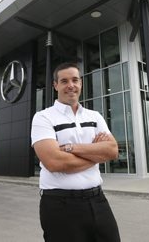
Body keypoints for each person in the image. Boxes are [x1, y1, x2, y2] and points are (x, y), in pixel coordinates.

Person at [31, 62, 121, 242]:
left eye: (75, 80)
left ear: (80, 83)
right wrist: (96, 155)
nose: (70, 85)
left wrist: (72, 149)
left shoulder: (94, 116)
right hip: (60, 206)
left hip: (98, 201)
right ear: (55, 85)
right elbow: (55, 162)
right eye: (64, 81)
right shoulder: (43, 117)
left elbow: (112, 150)